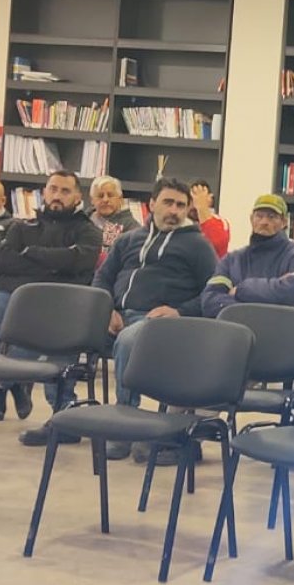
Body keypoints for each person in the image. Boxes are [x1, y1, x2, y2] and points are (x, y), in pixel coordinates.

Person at [92, 178, 217, 460]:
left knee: (128, 341)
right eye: (168, 203)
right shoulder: (128, 239)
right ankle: (61, 410)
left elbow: (213, 292)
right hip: (116, 316)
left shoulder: (198, 245)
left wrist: (179, 312)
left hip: (161, 324)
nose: (174, 211)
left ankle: (124, 424)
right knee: (64, 329)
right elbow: (102, 278)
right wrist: (107, 308)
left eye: (181, 205)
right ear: (151, 204)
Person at [0, 171, 102, 429]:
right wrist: (55, 263)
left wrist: (31, 253)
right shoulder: (22, 227)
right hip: (18, 295)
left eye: (65, 191)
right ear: (44, 192)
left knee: (52, 326)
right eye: (53, 189)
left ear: (78, 197)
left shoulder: (89, 231)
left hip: (63, 302)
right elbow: (5, 261)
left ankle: (54, 406)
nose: (57, 195)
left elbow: (80, 262)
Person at [202, 194, 294, 317]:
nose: (264, 222)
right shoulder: (231, 260)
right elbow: (209, 301)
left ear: (284, 222)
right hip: (239, 326)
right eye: (259, 216)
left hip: (285, 327)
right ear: (251, 219)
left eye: (272, 217)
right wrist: (257, 310)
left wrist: (241, 290)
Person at [88, 175, 140, 266]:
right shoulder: (82, 221)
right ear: (92, 200)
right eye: (100, 196)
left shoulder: (132, 228)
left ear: (120, 199)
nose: (105, 199)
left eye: (110, 195)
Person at [190, 178, 230, 259]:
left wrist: (202, 208)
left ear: (210, 198)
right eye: (191, 198)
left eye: (199, 197)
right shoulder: (183, 223)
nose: (195, 202)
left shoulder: (221, 222)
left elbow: (215, 243)